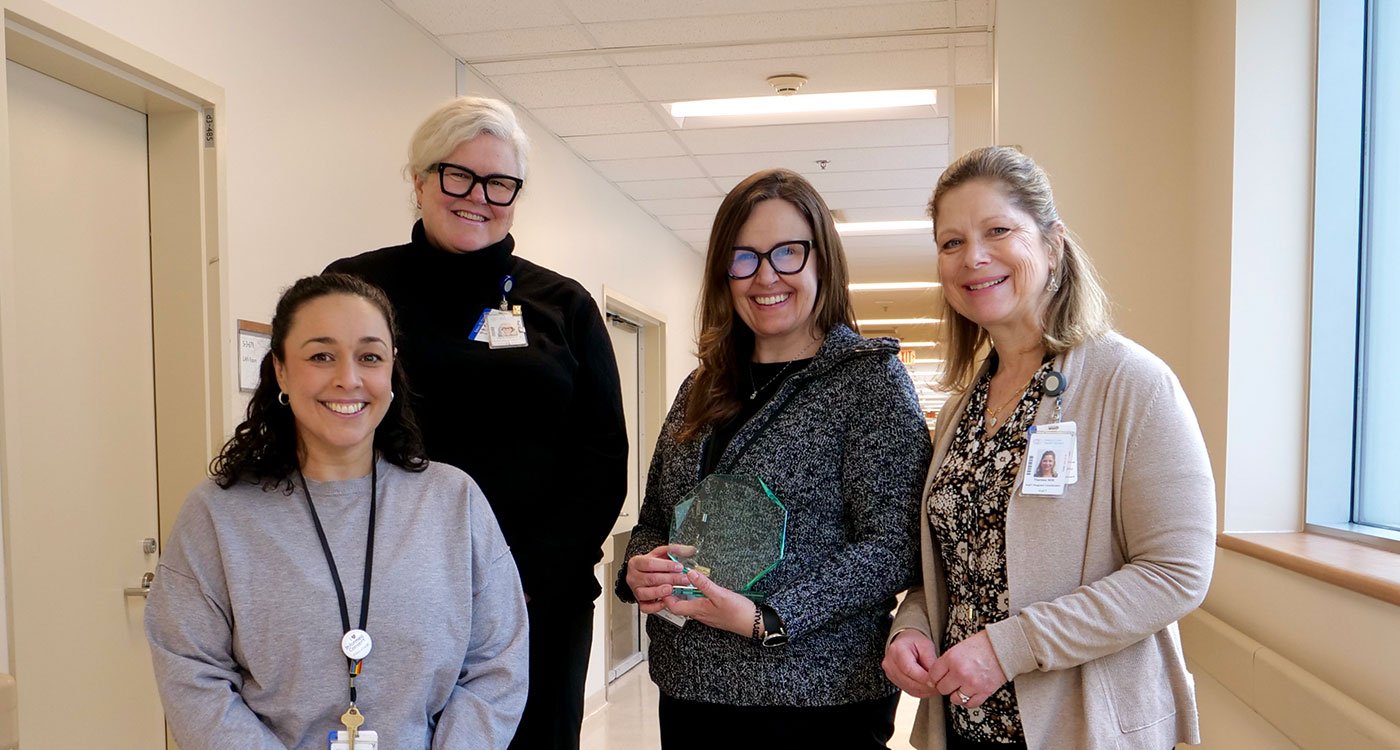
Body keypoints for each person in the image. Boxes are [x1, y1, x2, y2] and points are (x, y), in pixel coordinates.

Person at [882, 146, 1216, 750]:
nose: (973, 257)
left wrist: (1009, 649)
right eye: (950, 242)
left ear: (1053, 242)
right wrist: (911, 627)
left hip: (1084, 726)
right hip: (967, 721)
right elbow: (952, 565)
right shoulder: (963, 407)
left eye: (998, 231)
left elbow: (1177, 573)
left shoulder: (1132, 383)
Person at [325, 97, 627, 749]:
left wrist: (516, 578)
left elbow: (601, 456)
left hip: (537, 599)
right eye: (457, 175)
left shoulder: (562, 305)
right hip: (391, 591)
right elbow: (324, 427)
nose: (478, 197)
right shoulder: (354, 289)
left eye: (499, 183)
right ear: (419, 180)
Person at [618, 168, 932, 749]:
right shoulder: (701, 387)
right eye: (744, 257)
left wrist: (767, 617)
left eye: (788, 253)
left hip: (815, 697)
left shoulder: (871, 382)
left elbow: (894, 549)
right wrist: (640, 569)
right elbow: (656, 518)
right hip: (690, 689)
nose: (766, 276)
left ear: (822, 262)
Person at [146, 273, 528, 749]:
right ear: (281, 370)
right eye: (321, 355)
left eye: (369, 356)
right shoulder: (218, 515)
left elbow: (498, 663)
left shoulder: (454, 500)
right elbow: (191, 672)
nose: (348, 378)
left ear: (391, 371)